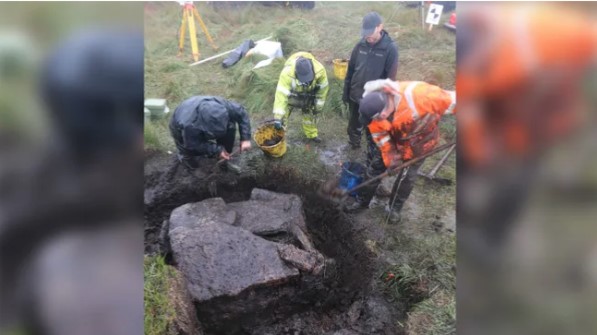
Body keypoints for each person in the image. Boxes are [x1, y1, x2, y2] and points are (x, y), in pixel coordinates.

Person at [346, 79, 456, 224]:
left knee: (407, 177)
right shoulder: (374, 116)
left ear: (384, 110)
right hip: (395, 141)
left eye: (378, 117)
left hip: (421, 143)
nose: (376, 121)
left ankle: (393, 209)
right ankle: (362, 201)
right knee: (374, 170)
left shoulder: (421, 96)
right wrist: (392, 159)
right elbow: (382, 139)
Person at [343, 11, 399, 149]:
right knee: (354, 124)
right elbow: (350, 70)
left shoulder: (390, 49)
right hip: (356, 95)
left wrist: (386, 102)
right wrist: (346, 92)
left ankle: (371, 151)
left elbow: (390, 80)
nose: (367, 36)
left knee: (372, 129)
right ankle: (354, 144)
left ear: (380, 27)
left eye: (370, 32)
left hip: (374, 100)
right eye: (365, 32)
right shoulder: (360, 45)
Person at [169, 96, 252, 171]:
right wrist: (216, 149)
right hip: (180, 124)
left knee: (230, 127)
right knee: (188, 149)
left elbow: (242, 114)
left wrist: (245, 138)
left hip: (203, 113)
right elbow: (192, 144)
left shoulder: (226, 107)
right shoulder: (189, 126)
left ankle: (225, 155)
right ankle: (190, 164)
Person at [272, 51, 329, 143]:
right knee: (282, 119)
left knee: (310, 116)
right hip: (291, 97)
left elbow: (322, 92)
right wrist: (278, 117)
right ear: (296, 73)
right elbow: (280, 96)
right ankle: (279, 139)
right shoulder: (286, 73)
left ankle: (311, 135)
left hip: (308, 97)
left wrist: (318, 107)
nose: (306, 81)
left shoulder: (320, 70)